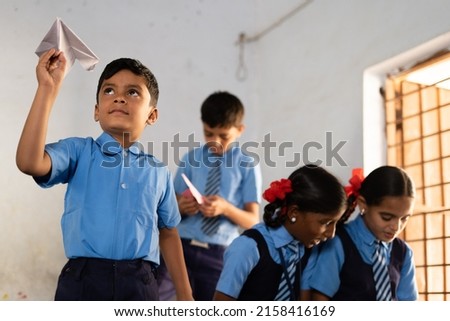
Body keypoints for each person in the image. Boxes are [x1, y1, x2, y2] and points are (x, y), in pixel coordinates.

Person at [16, 49, 193, 300]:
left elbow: (169, 232)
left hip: (140, 285)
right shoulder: (78, 151)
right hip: (82, 282)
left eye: (132, 92)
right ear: (97, 111)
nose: (119, 98)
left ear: (152, 115)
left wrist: (186, 297)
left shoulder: (157, 170)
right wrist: (47, 89)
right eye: (109, 91)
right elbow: (29, 162)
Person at [157, 91, 262, 300]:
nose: (215, 141)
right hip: (181, 246)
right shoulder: (191, 158)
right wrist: (181, 206)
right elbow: (169, 207)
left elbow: (252, 221)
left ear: (240, 130)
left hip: (220, 253)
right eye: (208, 133)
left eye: (224, 136)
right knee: (158, 300)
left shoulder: (247, 165)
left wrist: (226, 208)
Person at [213, 164, 347, 301]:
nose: (331, 234)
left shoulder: (307, 249)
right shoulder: (248, 247)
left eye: (335, 223)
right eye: (325, 223)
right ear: (293, 213)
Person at [307, 166, 418, 300]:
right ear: (362, 204)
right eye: (386, 217)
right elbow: (320, 301)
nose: (396, 227)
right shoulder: (338, 243)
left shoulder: (404, 252)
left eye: (404, 218)